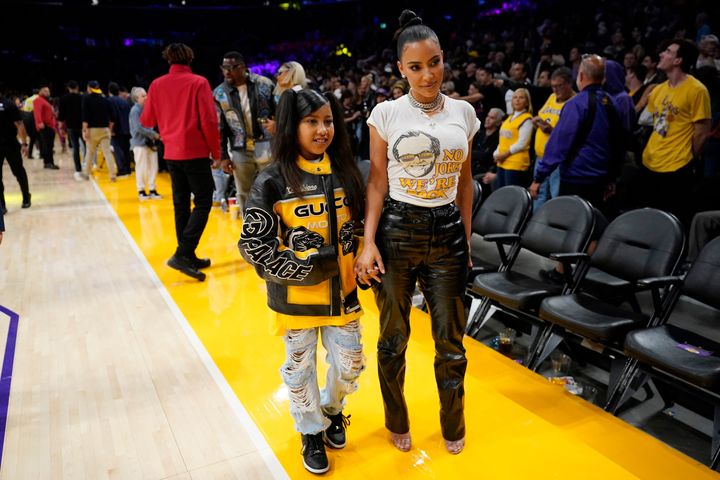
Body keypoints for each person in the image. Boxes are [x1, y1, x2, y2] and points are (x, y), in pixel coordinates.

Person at [354, 9, 479, 455]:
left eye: (435, 62)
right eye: (416, 66)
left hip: (448, 234)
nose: (428, 74)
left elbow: (465, 183)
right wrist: (368, 242)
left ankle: (453, 424)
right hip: (397, 232)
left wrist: (466, 241)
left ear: (443, 59)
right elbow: (376, 182)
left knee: (451, 344)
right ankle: (396, 418)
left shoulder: (464, 112)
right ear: (400, 69)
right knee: (393, 340)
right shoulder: (385, 113)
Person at [238, 89, 366, 475]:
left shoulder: (347, 172)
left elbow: (362, 228)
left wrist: (366, 261)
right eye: (312, 121)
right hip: (294, 300)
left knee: (351, 365)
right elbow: (254, 246)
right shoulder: (271, 180)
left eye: (328, 121)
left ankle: (331, 409)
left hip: (344, 296)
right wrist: (310, 265)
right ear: (291, 126)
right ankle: (310, 430)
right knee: (298, 371)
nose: (322, 129)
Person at [141, 43, 221, 282]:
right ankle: (183, 253)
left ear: (168, 59)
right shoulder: (199, 82)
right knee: (204, 201)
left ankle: (187, 255)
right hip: (195, 152)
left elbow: (147, 120)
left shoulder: (156, 84)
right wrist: (216, 152)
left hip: (171, 154)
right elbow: (209, 121)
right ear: (190, 58)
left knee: (181, 205)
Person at [639, 39, 711, 227]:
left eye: (668, 52)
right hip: (650, 161)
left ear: (679, 60)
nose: (662, 54)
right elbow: (654, 123)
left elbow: (702, 133)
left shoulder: (697, 90)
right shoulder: (658, 90)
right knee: (648, 221)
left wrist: (688, 158)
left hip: (677, 166)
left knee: (671, 224)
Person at [213, 51, 276, 215]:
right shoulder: (219, 93)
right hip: (239, 148)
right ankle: (249, 226)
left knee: (270, 187)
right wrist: (223, 157)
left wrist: (278, 125)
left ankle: (274, 223)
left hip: (265, 144)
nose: (227, 72)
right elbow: (220, 128)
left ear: (243, 67)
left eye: (232, 68)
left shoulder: (264, 84)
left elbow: (279, 111)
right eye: (224, 68)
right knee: (243, 192)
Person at [530, 67, 576, 210]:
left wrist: (551, 130)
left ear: (569, 83)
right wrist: (537, 122)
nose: (555, 90)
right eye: (553, 86)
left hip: (558, 159)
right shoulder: (551, 97)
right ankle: (535, 223)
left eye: (559, 86)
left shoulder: (574, 102)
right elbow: (543, 116)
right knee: (538, 194)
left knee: (556, 196)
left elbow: (570, 134)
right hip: (541, 156)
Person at [493, 88, 533, 188]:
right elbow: (502, 139)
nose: (517, 100)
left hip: (515, 163)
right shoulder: (509, 118)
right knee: (500, 192)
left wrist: (505, 154)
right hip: (502, 161)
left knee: (510, 194)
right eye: (515, 97)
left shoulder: (527, 119)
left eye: (521, 98)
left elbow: (522, 143)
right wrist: (496, 153)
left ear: (527, 102)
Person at [0, 93, 31, 214]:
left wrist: (24, 143)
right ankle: (2, 205)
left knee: (18, 171)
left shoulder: (9, 105)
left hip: (10, 143)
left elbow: (19, 124)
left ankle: (26, 197)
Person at [129, 87, 161, 200]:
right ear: (136, 98)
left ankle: (152, 189)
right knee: (141, 167)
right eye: (143, 96)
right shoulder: (135, 110)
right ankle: (141, 190)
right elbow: (138, 128)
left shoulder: (148, 109)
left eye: (146, 95)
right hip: (139, 143)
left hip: (150, 142)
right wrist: (154, 134)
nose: (146, 97)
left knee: (153, 166)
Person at [81, 80, 117, 181]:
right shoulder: (105, 99)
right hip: (105, 130)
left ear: (89, 88)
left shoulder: (86, 98)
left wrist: (84, 130)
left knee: (90, 152)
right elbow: (113, 118)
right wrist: (109, 129)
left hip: (92, 130)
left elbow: (85, 116)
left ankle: (86, 174)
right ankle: (113, 175)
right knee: (107, 153)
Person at [58, 80, 86, 181]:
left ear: (68, 88)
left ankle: (78, 169)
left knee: (75, 148)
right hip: (83, 126)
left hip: (71, 126)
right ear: (77, 87)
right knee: (87, 146)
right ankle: (87, 165)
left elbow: (61, 115)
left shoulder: (63, 99)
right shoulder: (83, 97)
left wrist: (61, 128)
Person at [33, 85, 59, 170]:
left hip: (50, 126)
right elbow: (37, 112)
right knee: (47, 145)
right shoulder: (38, 100)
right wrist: (40, 122)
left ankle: (50, 162)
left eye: (48, 91)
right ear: (40, 91)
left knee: (50, 146)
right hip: (45, 126)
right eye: (45, 91)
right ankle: (48, 163)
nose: (47, 93)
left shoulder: (45, 101)